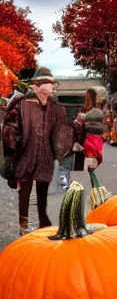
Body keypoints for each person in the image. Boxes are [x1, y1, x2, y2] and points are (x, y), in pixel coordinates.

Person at [2, 67, 73, 235]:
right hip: (25, 155)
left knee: (43, 192)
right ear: (36, 85)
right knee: (24, 191)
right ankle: (23, 227)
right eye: (46, 84)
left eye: (51, 84)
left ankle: (43, 224)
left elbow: (62, 130)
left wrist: (62, 147)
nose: (49, 88)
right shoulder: (21, 104)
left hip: (45, 157)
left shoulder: (55, 107)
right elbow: (10, 127)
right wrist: (15, 145)